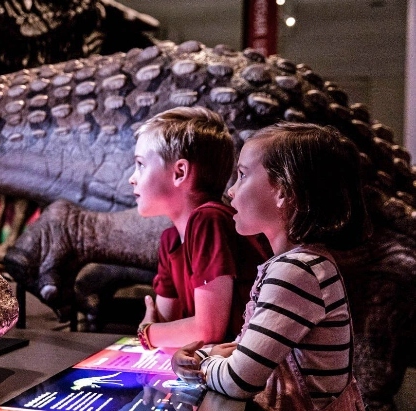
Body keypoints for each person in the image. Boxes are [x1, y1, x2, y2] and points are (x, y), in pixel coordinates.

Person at [172, 123, 369, 410]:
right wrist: (201, 356)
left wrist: (204, 365)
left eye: (242, 175)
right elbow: (243, 351)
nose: (230, 191)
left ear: (284, 191)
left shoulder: (297, 271)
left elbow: (239, 379)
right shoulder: (299, 264)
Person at [130, 107, 271, 349]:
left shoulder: (209, 220)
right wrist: (157, 331)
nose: (132, 178)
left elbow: (207, 331)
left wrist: (147, 333)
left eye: (141, 164)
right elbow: (170, 325)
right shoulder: (171, 239)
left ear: (180, 172)